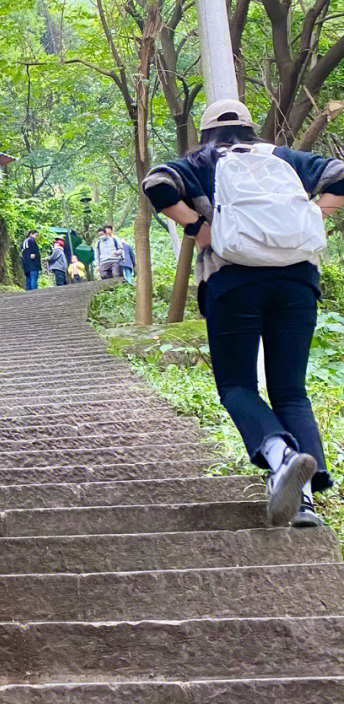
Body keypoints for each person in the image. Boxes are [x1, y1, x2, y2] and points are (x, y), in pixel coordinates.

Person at [143, 98, 344, 528]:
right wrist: (313, 214)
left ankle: (281, 456)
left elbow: (156, 183)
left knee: (236, 386)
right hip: (297, 283)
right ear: (252, 129)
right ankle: (304, 503)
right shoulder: (285, 158)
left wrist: (198, 228)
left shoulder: (201, 161)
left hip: (232, 281)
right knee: (291, 391)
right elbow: (340, 175)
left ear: (206, 132)